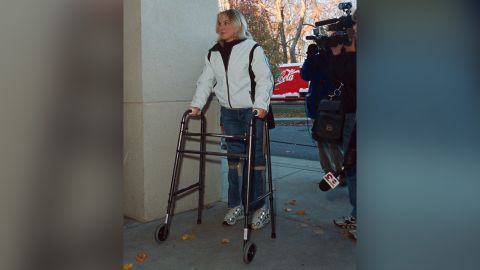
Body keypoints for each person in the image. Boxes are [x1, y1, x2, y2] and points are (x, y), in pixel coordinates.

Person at [189, 9, 274, 230]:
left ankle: (259, 208)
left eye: (226, 22)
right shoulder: (213, 53)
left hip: (251, 112)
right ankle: (235, 204)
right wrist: (197, 104)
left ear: (237, 24)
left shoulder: (252, 48)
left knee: (254, 160)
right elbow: (205, 81)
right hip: (229, 112)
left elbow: (265, 79)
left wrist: (261, 106)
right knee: (234, 161)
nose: (221, 27)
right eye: (219, 23)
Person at [331, 11, 357, 240]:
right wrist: (338, 54)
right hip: (350, 112)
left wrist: (343, 55)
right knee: (353, 167)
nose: (355, 28)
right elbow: (339, 78)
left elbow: (352, 77)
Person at [300, 43, 344, 179]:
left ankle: (342, 172)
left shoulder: (340, 57)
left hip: (336, 105)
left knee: (335, 140)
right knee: (321, 141)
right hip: (318, 107)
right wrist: (310, 57)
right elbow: (305, 75)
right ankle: (330, 175)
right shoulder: (316, 59)